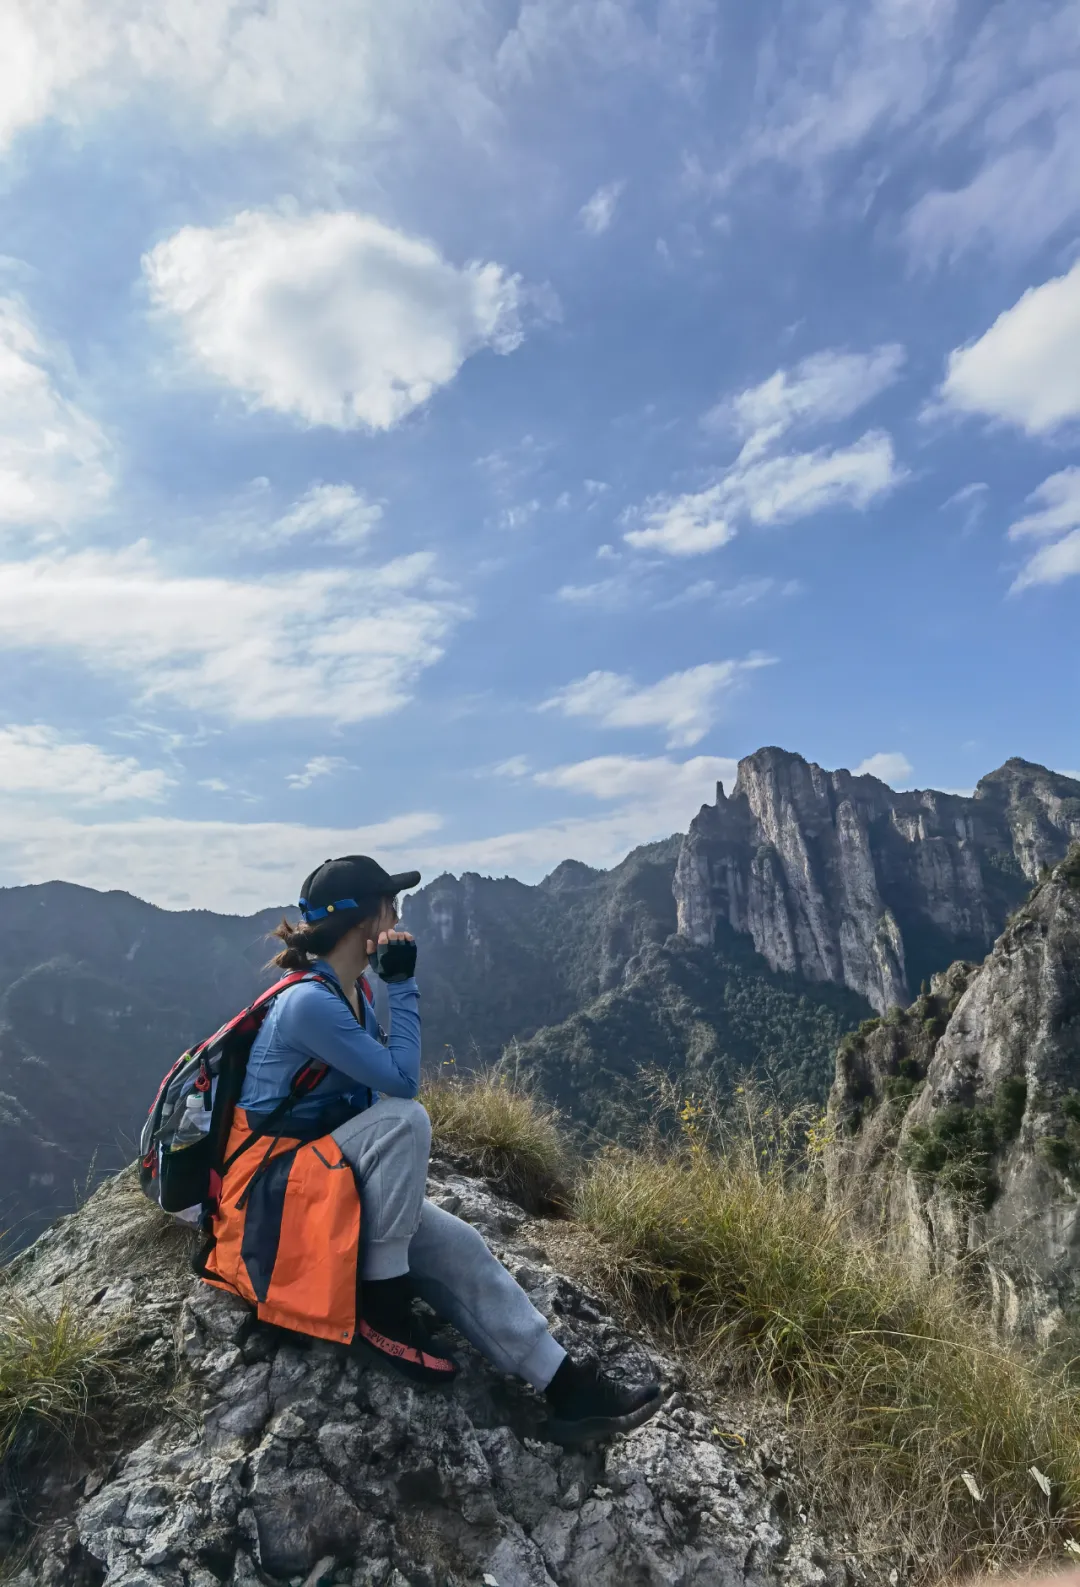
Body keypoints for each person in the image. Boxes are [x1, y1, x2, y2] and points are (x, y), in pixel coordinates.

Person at [239, 853, 663, 1445]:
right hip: (276, 1197)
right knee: (406, 1121)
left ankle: (569, 1392)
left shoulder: (349, 991)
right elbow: (401, 1085)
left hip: (322, 1183)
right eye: (391, 903)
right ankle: (383, 1309)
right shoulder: (309, 1002)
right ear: (366, 921)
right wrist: (404, 984)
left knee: (462, 1246)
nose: (399, 911)